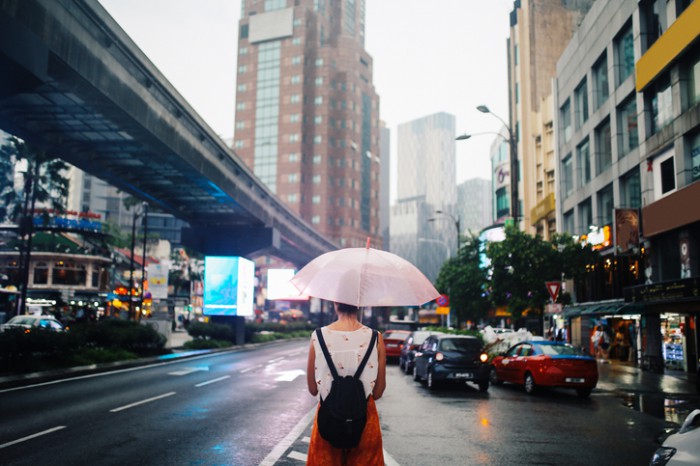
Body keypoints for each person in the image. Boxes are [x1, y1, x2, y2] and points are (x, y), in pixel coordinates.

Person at [306, 302, 386, 465]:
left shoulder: (318, 336)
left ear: (335, 304)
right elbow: (378, 393)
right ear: (359, 305)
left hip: (328, 419)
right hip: (364, 419)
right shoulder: (375, 337)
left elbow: (313, 389)